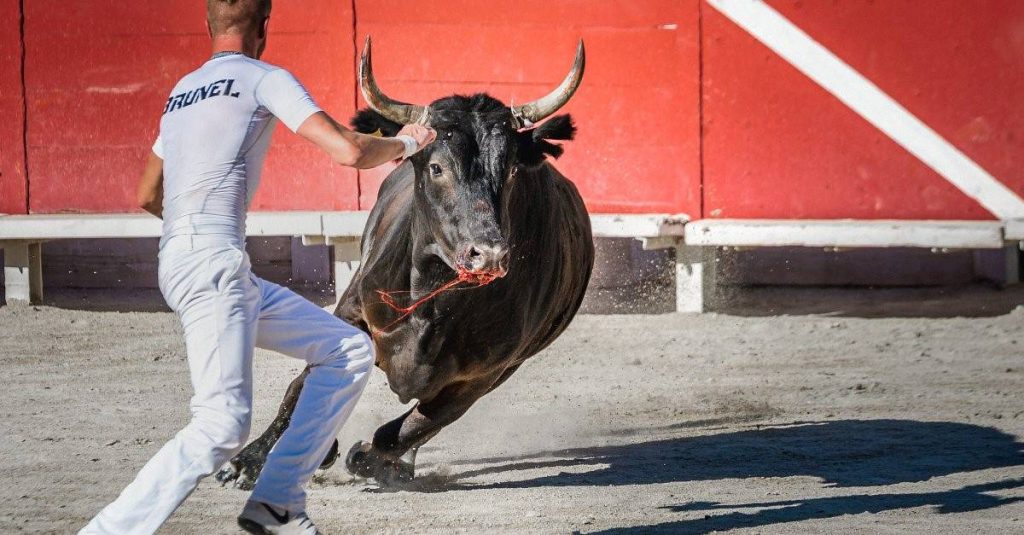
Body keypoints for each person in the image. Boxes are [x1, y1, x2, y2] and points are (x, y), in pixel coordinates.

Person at [79, 1, 435, 534]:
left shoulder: (181, 92)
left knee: (348, 350)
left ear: (209, 25)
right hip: (214, 264)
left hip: (191, 259)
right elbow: (348, 150)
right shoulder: (264, 78)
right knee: (220, 425)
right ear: (265, 27)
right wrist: (410, 143)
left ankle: (277, 504)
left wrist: (196, 234)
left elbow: (148, 192)